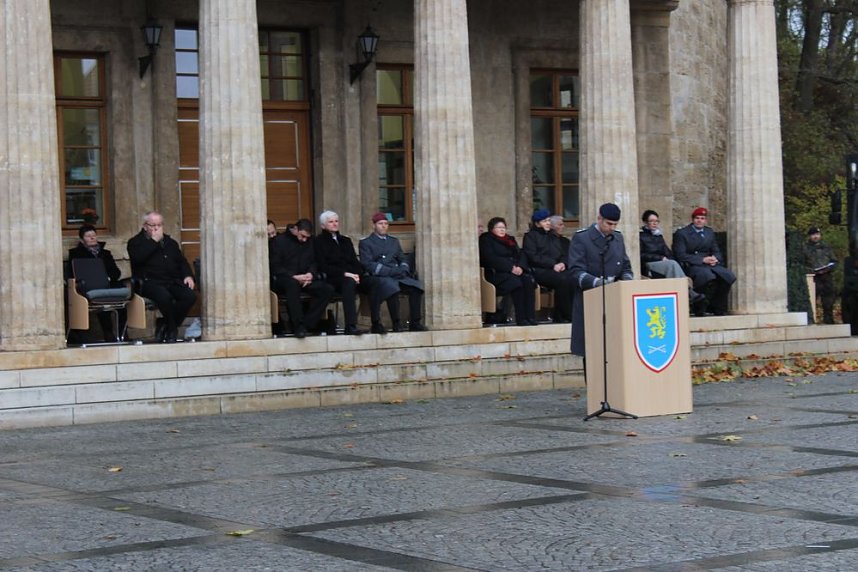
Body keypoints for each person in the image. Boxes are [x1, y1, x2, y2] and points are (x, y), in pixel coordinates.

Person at [568, 203, 634, 357]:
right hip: (590, 297)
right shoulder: (582, 238)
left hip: (613, 299)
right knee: (591, 349)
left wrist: (626, 281)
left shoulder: (617, 237)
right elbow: (576, 271)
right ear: (599, 219)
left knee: (613, 349)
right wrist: (597, 282)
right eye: (608, 223)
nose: (611, 227)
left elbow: (625, 266)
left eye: (615, 224)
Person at [127, 211, 196, 343]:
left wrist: (188, 276)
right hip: (148, 282)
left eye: (159, 225)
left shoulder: (170, 242)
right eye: (152, 225)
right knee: (165, 297)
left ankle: (165, 323)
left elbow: (182, 262)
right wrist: (153, 241)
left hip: (171, 281)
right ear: (145, 226)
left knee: (189, 296)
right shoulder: (135, 242)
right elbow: (138, 259)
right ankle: (171, 329)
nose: (156, 228)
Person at [359, 212, 427, 333]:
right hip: (379, 277)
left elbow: (402, 259)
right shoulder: (366, 243)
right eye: (380, 224)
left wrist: (403, 269)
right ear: (374, 225)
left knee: (416, 287)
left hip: (397, 275)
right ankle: (396, 323)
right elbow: (368, 264)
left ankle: (415, 322)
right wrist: (391, 271)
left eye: (386, 223)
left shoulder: (394, 241)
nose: (384, 226)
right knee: (392, 288)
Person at [269, 218, 335, 338]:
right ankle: (298, 326)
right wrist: (294, 276)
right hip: (285, 278)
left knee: (327, 289)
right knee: (292, 285)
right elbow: (275, 265)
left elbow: (314, 262)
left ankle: (307, 323)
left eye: (307, 237)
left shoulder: (310, 242)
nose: (304, 240)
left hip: (305, 279)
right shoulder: (279, 241)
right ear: (295, 229)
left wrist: (310, 274)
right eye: (302, 236)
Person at [672, 207, 737, 317]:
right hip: (693, 264)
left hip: (710, 264)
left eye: (702, 218)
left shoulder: (709, 232)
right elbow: (680, 255)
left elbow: (716, 250)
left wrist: (715, 258)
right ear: (693, 219)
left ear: (705, 220)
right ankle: (700, 307)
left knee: (728, 276)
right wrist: (702, 260)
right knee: (707, 276)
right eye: (697, 218)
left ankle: (718, 307)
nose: (699, 220)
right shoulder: (682, 233)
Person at [314, 210, 369, 335]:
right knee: (349, 283)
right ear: (323, 225)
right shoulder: (318, 241)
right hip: (332, 278)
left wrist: (358, 274)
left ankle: (377, 323)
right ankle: (351, 325)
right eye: (331, 222)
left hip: (352, 276)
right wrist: (346, 274)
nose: (334, 224)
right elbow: (323, 266)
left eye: (336, 221)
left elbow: (354, 262)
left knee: (374, 283)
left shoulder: (346, 240)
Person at [68, 224, 126, 342]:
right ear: (82, 239)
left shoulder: (105, 254)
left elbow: (116, 272)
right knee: (98, 295)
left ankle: (122, 331)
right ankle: (107, 332)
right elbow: (71, 273)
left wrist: (108, 278)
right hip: (86, 287)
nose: (92, 238)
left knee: (121, 292)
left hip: (106, 284)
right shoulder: (76, 254)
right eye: (88, 236)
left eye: (94, 235)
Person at [479, 216, 537, 326]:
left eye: (503, 227)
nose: (502, 230)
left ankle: (531, 317)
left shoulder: (510, 239)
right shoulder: (486, 240)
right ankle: (521, 318)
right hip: (497, 273)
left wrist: (520, 266)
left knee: (528, 281)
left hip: (515, 272)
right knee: (516, 284)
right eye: (498, 227)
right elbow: (490, 258)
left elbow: (521, 254)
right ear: (492, 229)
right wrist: (511, 268)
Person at [639, 209, 705, 304]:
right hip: (649, 264)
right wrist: (660, 258)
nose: (654, 223)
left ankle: (686, 294)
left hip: (664, 263)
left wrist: (672, 259)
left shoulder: (658, 236)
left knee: (673, 263)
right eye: (652, 221)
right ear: (645, 222)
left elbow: (667, 252)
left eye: (656, 221)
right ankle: (688, 292)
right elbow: (641, 255)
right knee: (672, 264)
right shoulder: (640, 236)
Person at [522, 208, 572, 322]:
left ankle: (561, 315)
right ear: (537, 223)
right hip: (539, 270)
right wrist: (553, 264)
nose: (548, 223)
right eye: (545, 221)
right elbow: (533, 257)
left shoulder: (552, 236)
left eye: (549, 220)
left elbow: (562, 252)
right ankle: (566, 315)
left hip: (555, 268)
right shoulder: (530, 236)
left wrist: (563, 263)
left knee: (572, 278)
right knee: (562, 280)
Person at [803, 226, 837, 324]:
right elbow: (802, 263)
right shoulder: (805, 248)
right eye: (813, 235)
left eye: (817, 234)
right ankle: (811, 320)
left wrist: (829, 268)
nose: (816, 237)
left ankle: (828, 320)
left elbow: (834, 261)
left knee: (828, 301)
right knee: (812, 299)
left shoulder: (826, 247)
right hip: (813, 277)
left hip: (826, 277)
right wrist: (811, 271)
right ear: (810, 236)